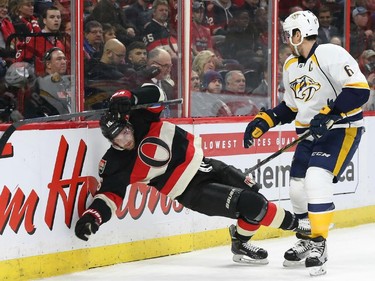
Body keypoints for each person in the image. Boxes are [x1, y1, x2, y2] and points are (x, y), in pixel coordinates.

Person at [74, 83, 308, 266]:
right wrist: (93, 215)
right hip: (191, 191)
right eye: (117, 138)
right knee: (254, 204)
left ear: (129, 124)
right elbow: (110, 196)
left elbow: (157, 93)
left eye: (125, 132)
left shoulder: (141, 117)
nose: (124, 141)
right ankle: (301, 228)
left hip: (208, 166)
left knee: (254, 196)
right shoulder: (115, 162)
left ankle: (240, 242)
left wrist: (129, 97)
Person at [243, 10, 370, 276]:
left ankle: (319, 244)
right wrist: (265, 120)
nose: (286, 38)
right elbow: (291, 106)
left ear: (299, 33)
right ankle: (305, 238)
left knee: (316, 179)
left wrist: (331, 114)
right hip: (310, 134)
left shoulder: (330, 54)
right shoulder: (290, 65)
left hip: (341, 130)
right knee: (297, 188)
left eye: (289, 33)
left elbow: (359, 90)